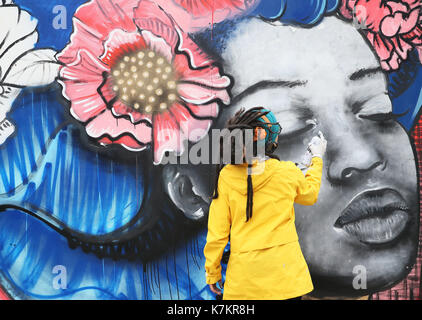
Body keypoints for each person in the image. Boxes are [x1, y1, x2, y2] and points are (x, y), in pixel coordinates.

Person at [203, 106, 327, 300]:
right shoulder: (286, 171)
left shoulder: (226, 176)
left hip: (244, 286)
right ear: (263, 136)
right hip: (286, 281)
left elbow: (217, 233)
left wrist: (212, 272)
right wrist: (317, 158)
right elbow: (309, 195)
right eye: (274, 132)